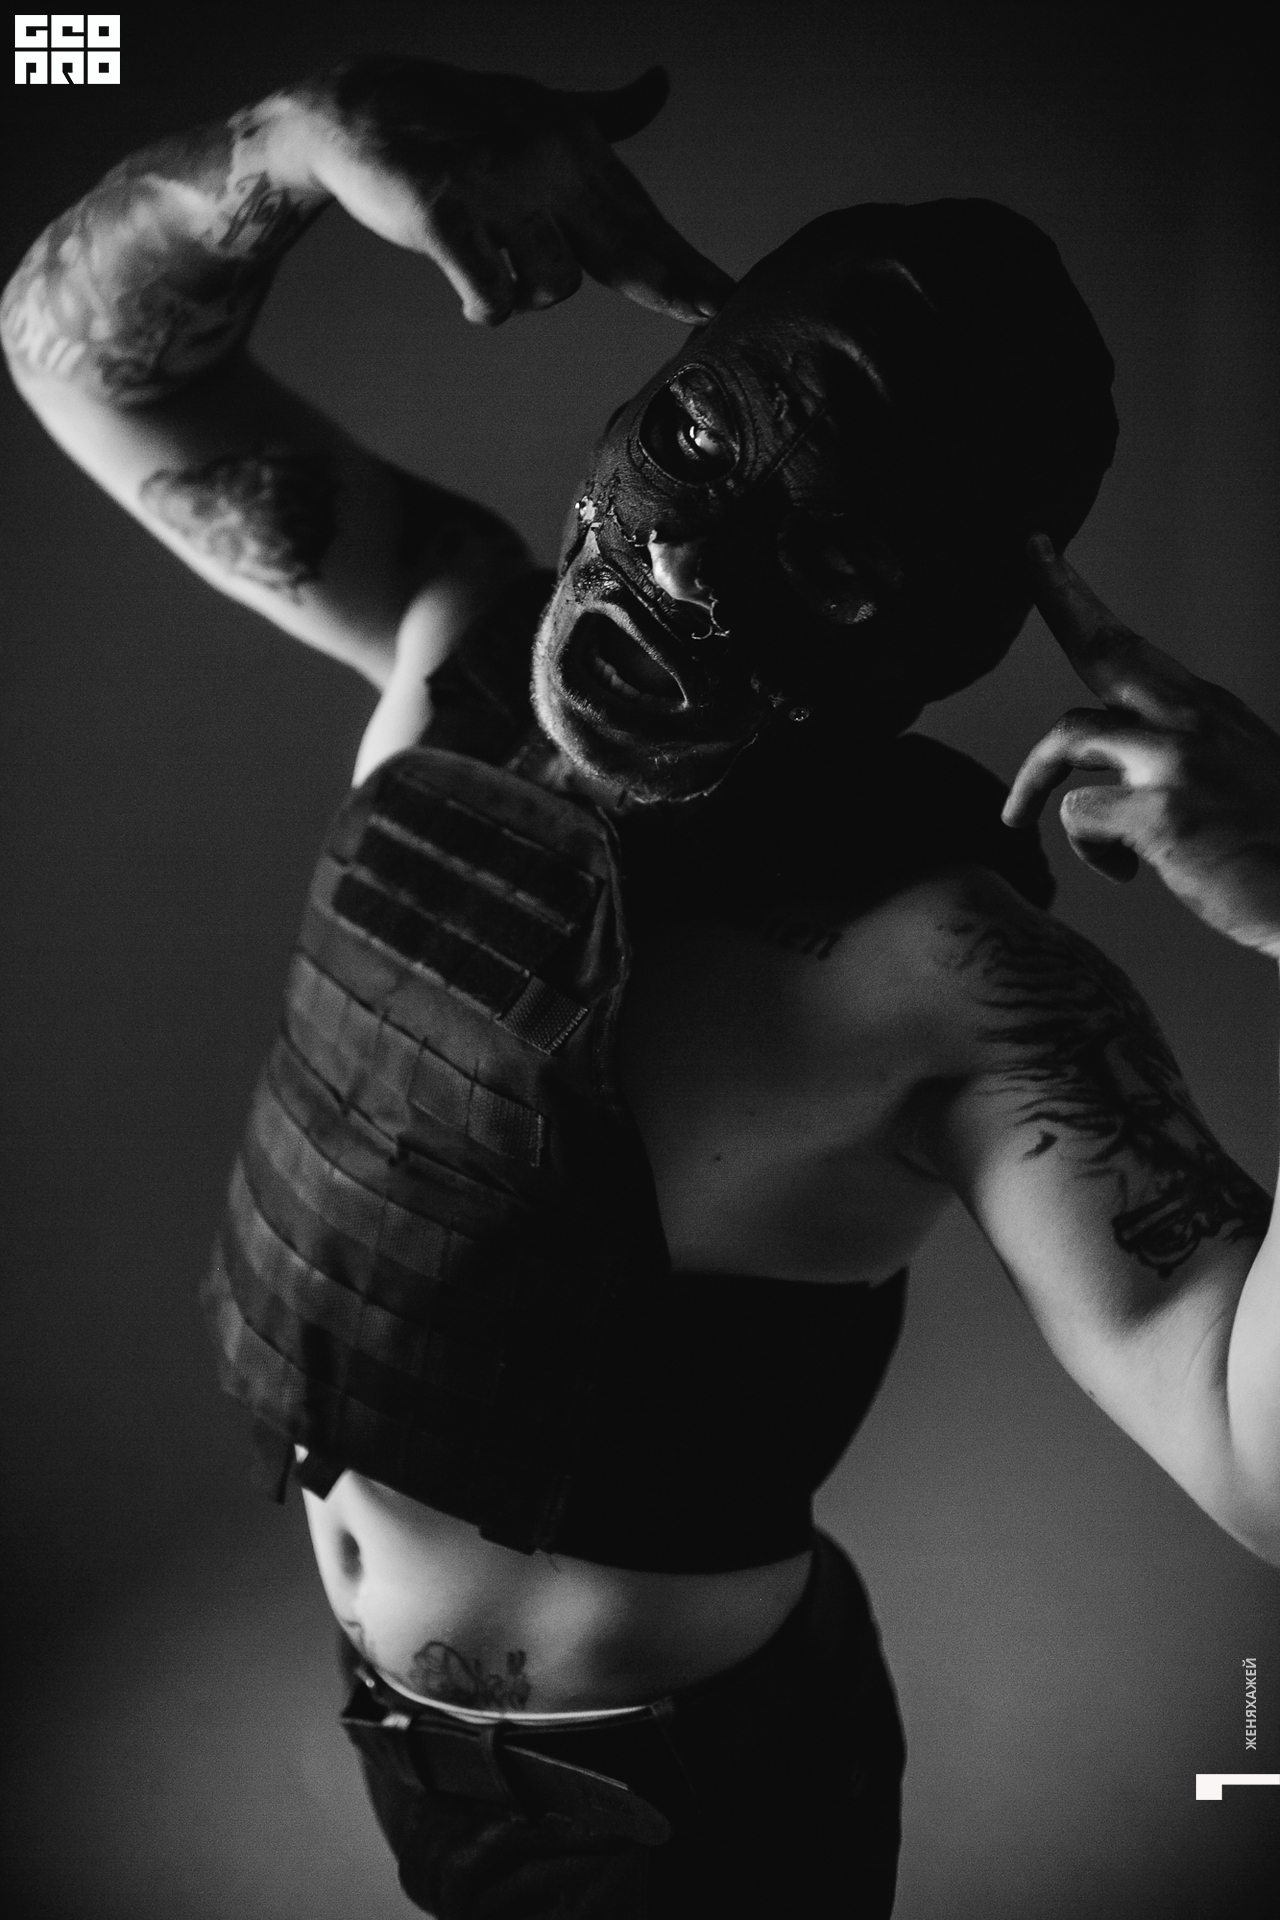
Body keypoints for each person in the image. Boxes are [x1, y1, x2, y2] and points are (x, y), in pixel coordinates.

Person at [5, 54, 1278, 1920]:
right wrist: (283, 149)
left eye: (825, 551)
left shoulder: (947, 970)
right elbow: (80, 358)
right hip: (404, 1751)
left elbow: (1252, 1449)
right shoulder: (458, 648)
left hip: (686, 1827)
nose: (684, 553)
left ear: (942, 637)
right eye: (691, 437)